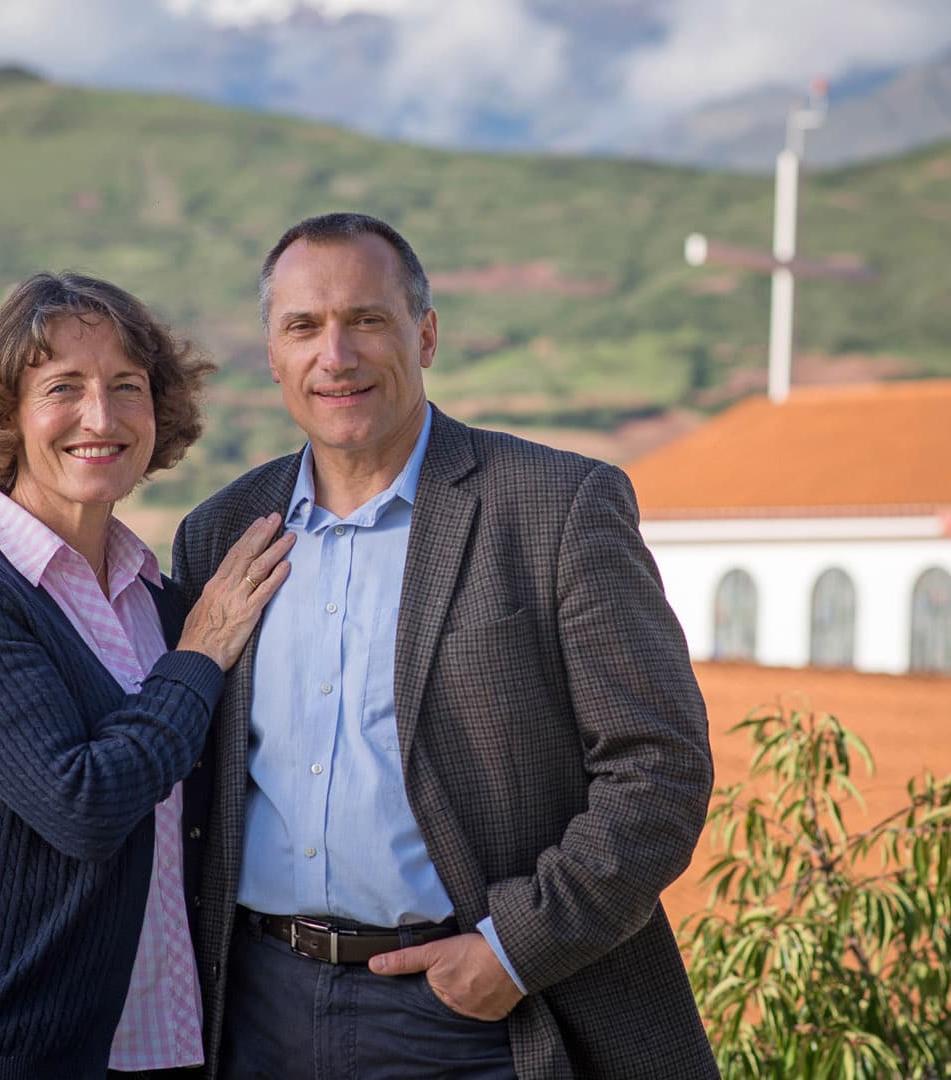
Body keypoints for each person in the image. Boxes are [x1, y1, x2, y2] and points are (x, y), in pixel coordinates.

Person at [171, 213, 717, 1078]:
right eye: (304, 327)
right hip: (255, 1013)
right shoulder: (220, 535)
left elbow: (661, 769)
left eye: (368, 320)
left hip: (474, 1014)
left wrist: (512, 952)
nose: (336, 356)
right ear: (272, 354)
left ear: (425, 334)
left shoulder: (556, 506)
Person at [0, 271, 294, 1080]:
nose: (100, 417)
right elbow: (83, 805)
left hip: (174, 1050)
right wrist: (200, 657)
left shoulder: (162, 597)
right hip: (2, 1054)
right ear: (4, 415)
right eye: (63, 388)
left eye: (126, 387)